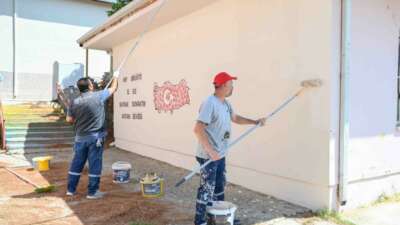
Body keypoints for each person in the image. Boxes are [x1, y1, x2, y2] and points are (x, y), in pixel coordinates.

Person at [193, 72, 266, 225]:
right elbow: (198, 129)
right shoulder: (209, 102)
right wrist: (211, 152)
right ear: (225, 85)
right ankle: (200, 221)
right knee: (207, 188)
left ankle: (219, 217)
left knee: (219, 186)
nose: (233, 87)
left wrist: (255, 122)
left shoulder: (225, 103)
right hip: (208, 155)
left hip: (219, 154)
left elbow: (236, 118)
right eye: (231, 84)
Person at [65, 77, 118, 199]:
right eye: (91, 83)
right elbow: (113, 88)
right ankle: (92, 192)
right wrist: (115, 76)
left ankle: (70, 189)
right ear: (90, 86)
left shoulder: (74, 102)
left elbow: (69, 119)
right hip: (95, 139)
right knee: (94, 164)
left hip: (80, 139)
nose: (92, 85)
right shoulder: (98, 96)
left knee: (77, 163)